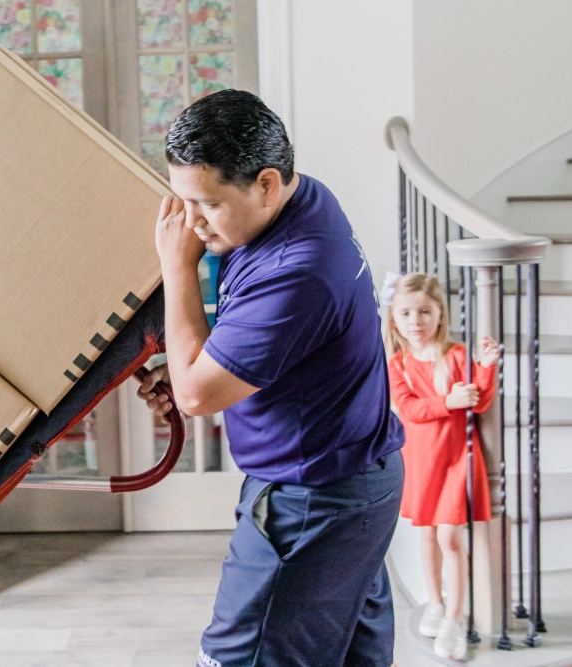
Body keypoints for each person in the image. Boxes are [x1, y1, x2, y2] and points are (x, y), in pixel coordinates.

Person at [138, 89, 406, 667]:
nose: (189, 223)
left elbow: (195, 395)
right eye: (182, 201)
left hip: (315, 499)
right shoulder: (305, 198)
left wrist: (176, 267)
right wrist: (201, 358)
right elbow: (261, 344)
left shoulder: (299, 269)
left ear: (265, 182)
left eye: (206, 204)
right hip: (357, 483)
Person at [381, 272, 499, 661]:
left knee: (450, 537)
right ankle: (434, 603)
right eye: (407, 313)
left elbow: (479, 403)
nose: (416, 321)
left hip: (455, 461)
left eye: (425, 312)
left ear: (440, 315)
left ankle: (455, 616)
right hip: (420, 461)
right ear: (394, 319)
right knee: (427, 536)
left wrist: (488, 368)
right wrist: (448, 401)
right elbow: (410, 409)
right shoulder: (397, 364)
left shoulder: (458, 356)